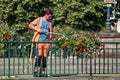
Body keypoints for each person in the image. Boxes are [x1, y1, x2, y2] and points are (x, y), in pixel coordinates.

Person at [29, 9, 53, 77]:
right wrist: (37, 29)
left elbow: (50, 32)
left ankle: (43, 72)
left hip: (47, 41)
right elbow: (30, 25)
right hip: (39, 40)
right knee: (39, 56)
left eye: (51, 17)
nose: (50, 18)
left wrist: (50, 38)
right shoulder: (39, 20)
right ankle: (36, 71)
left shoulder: (50, 22)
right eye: (49, 16)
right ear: (46, 15)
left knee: (45, 57)